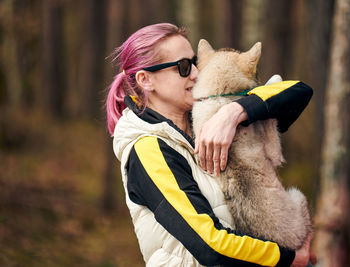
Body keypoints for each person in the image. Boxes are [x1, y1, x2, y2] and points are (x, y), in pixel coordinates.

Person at [107, 23, 316, 267]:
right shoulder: (149, 150)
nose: (196, 73)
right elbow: (210, 244)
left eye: (194, 62)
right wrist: (288, 258)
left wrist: (235, 112)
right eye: (183, 67)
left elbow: (299, 91)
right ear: (146, 80)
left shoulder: (202, 121)